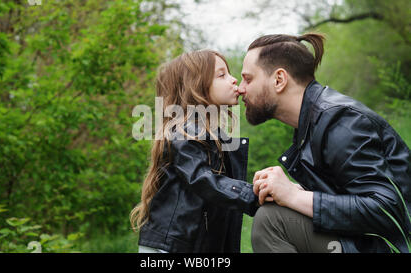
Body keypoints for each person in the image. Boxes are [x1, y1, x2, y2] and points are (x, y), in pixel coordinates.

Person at [238, 33, 411, 253]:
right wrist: (292, 190)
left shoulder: (341, 122)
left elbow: (387, 210)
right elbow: (348, 193)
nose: (240, 88)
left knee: (271, 220)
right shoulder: (311, 124)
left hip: (394, 245)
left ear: (279, 79)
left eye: (248, 78)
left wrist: (294, 195)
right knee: (277, 207)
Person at [130, 50, 259, 253]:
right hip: (172, 246)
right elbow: (202, 179)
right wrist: (255, 195)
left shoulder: (213, 136)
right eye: (221, 74)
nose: (234, 80)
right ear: (197, 85)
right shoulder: (184, 132)